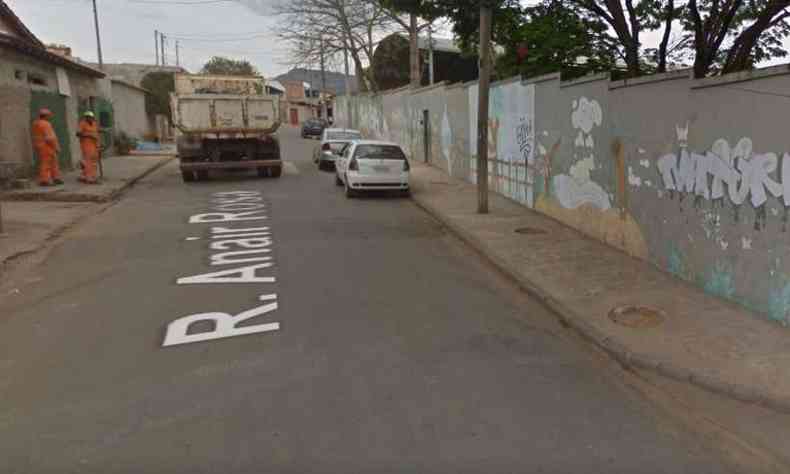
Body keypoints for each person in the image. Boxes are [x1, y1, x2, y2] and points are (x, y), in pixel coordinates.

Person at [31, 108, 63, 186]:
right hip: (47, 146)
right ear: (46, 116)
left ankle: (55, 177)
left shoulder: (36, 123)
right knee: (47, 163)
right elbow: (50, 138)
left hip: (41, 146)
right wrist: (56, 147)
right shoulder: (45, 124)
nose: (50, 117)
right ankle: (45, 180)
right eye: (49, 116)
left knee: (52, 162)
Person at [77, 111, 100, 184]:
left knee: (94, 162)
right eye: (88, 117)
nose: (90, 119)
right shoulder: (82, 124)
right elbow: (78, 133)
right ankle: (89, 178)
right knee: (88, 162)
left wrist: (101, 130)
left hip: (94, 144)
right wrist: (88, 135)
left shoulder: (94, 123)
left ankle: (87, 176)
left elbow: (96, 131)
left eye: (91, 117)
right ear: (86, 118)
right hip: (86, 144)